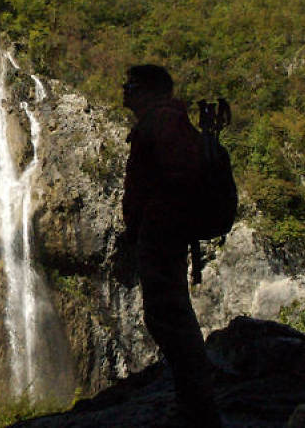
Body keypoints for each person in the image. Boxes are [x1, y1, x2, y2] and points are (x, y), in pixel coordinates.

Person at [121, 64, 222, 427]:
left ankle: (197, 408)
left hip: (163, 235)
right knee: (167, 315)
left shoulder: (163, 122)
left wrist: (155, 219)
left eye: (130, 84)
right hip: (160, 232)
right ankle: (194, 402)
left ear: (149, 89)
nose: (123, 90)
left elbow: (178, 179)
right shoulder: (165, 122)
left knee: (170, 317)